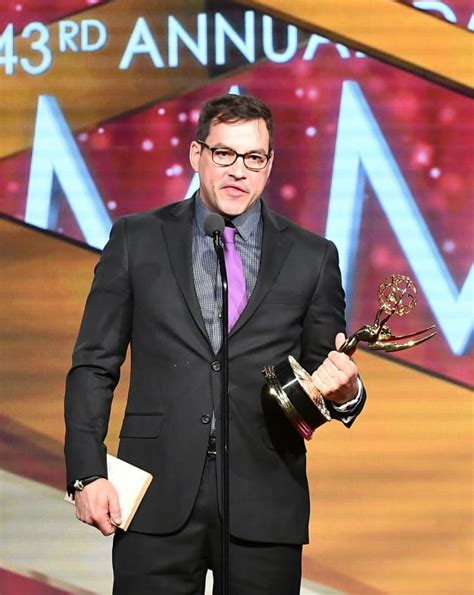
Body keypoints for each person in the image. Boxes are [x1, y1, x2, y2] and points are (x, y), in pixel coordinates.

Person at [64, 94, 366, 595]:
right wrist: (86, 474)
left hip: (265, 500)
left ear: (269, 166)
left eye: (253, 158)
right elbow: (94, 365)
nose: (238, 171)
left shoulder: (312, 257)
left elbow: (320, 376)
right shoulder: (137, 239)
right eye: (224, 153)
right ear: (195, 154)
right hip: (155, 494)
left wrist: (343, 392)